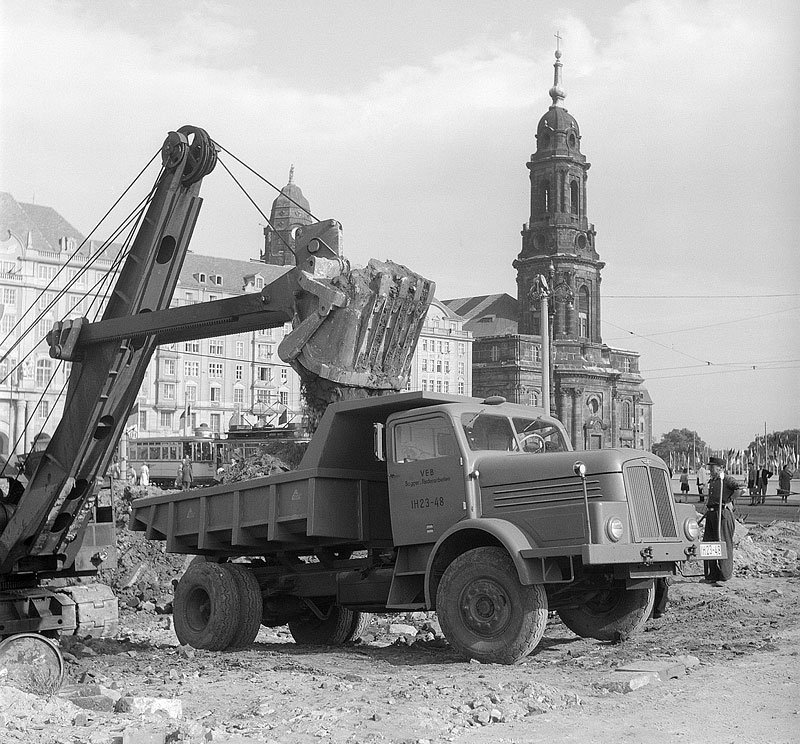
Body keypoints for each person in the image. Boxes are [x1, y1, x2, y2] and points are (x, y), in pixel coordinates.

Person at [702, 456, 744, 585]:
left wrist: (729, 499)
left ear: (720, 468)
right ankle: (711, 575)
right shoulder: (713, 480)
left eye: (712, 467)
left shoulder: (726, 479)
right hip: (711, 514)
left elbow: (741, 489)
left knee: (724, 543)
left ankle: (725, 575)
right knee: (709, 544)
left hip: (723, 514)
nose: (710, 469)